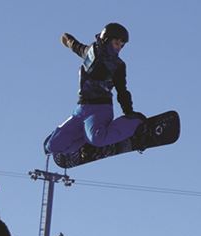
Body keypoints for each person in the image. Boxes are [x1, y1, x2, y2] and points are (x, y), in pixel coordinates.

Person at [44, 23, 146, 156]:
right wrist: (67, 39)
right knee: (52, 146)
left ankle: (134, 124)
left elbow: (122, 91)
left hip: (100, 110)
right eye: (116, 43)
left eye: (122, 45)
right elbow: (75, 45)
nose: (119, 48)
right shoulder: (89, 52)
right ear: (106, 39)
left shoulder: (118, 65)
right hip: (81, 110)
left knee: (97, 138)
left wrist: (129, 112)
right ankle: (86, 143)